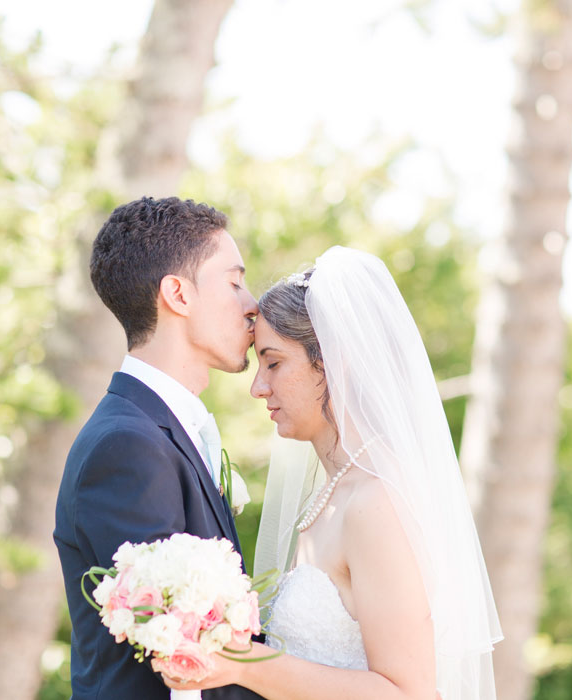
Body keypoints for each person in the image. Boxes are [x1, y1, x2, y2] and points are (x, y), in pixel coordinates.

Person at [156, 246, 502, 700]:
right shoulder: (333, 492)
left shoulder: (376, 503)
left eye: (274, 362)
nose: (259, 388)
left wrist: (245, 663)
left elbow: (409, 692)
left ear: (335, 363)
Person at [54, 196, 264, 700]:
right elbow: (181, 655)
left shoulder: (157, 429)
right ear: (178, 294)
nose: (251, 302)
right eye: (234, 283)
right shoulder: (126, 446)